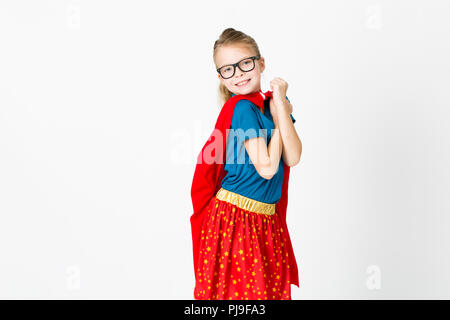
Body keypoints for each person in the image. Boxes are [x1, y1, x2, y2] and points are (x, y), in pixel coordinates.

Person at [190, 27, 302, 300]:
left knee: (266, 295)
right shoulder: (241, 108)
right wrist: (279, 118)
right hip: (236, 218)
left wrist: (280, 110)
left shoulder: (268, 105)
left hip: (265, 219)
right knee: (245, 298)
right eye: (228, 69)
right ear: (220, 76)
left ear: (261, 63)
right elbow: (266, 167)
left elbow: (293, 156)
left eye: (245, 63)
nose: (238, 73)